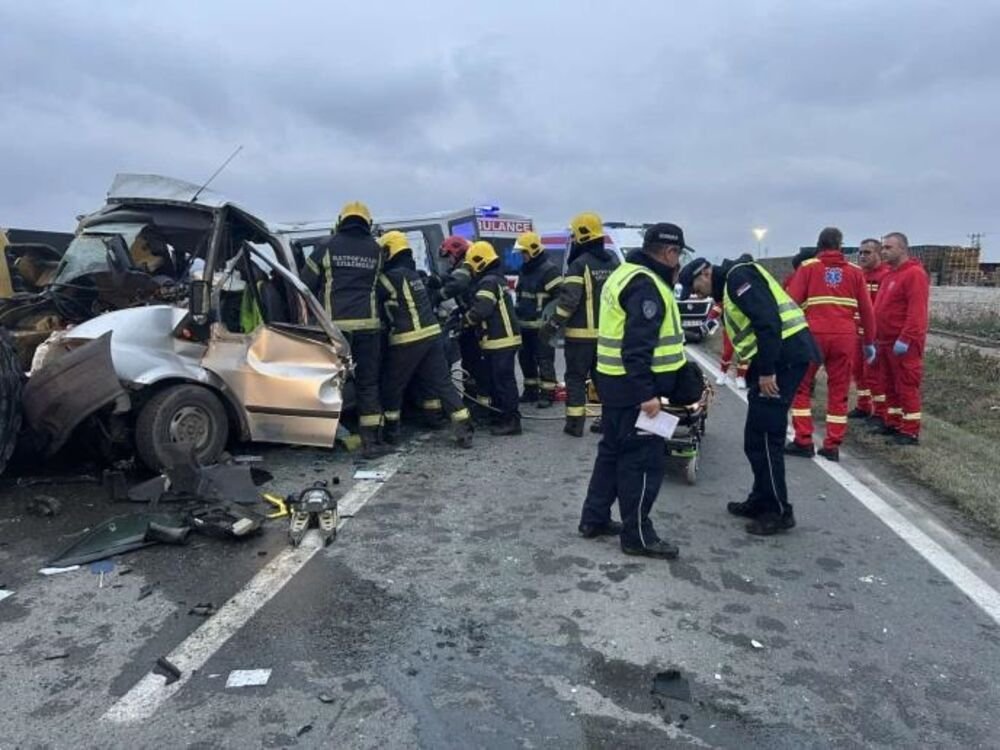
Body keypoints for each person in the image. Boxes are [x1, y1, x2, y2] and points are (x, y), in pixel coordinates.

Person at [679, 255, 817, 535]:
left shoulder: (739, 278)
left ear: (706, 273)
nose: (696, 294)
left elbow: (768, 323)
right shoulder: (730, 288)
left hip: (782, 360)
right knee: (755, 438)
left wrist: (766, 372)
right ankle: (760, 499)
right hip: (774, 361)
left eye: (695, 286)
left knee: (766, 436)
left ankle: (777, 511)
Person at [579, 224, 689, 559]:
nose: (679, 262)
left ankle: (594, 519)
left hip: (613, 383)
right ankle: (638, 536)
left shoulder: (624, 272)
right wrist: (648, 394)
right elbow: (637, 347)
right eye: (679, 255)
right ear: (669, 253)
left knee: (611, 454)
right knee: (642, 462)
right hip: (635, 390)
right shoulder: (647, 285)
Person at [302, 201, 386, 458]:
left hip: (335, 330)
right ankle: (371, 441)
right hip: (368, 326)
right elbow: (381, 286)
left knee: (331, 383)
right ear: (367, 223)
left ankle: (326, 437)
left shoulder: (325, 246)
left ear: (341, 221)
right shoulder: (376, 249)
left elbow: (305, 283)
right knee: (368, 383)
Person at [785, 227, 876, 462]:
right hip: (845, 337)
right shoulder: (855, 272)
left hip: (814, 335)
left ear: (819, 245)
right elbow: (867, 311)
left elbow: (791, 304)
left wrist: (787, 336)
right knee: (839, 390)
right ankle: (833, 445)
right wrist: (869, 341)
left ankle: (803, 440)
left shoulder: (808, 268)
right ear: (840, 245)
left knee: (801, 386)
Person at [375, 231, 473, 448]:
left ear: (389, 251)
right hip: (432, 335)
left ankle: (391, 431)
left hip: (406, 340)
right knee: (443, 384)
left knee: (392, 386)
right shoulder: (415, 275)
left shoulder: (387, 279)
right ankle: (464, 429)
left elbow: (375, 303)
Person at [540, 212, 619, 436]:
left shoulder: (579, 264)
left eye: (574, 236)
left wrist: (552, 325)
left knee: (575, 379)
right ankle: (609, 422)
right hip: (606, 336)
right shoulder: (612, 262)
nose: (573, 240)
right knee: (602, 379)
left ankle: (574, 425)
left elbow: (569, 301)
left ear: (582, 236)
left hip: (580, 337)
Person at [873, 232, 929, 445]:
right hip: (885, 341)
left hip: (904, 344)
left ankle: (910, 430)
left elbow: (917, 312)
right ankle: (893, 421)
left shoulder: (914, 274)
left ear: (903, 249)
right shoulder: (890, 275)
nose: (884, 251)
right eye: (883, 247)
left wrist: (906, 338)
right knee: (888, 384)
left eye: (888, 248)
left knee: (906, 385)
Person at [463, 241, 523, 435]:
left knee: (503, 382)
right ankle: (501, 416)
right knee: (498, 381)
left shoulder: (488, 281)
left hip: (500, 340)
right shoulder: (496, 278)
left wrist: (464, 321)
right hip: (500, 340)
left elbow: (482, 309)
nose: (470, 270)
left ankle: (511, 421)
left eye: (471, 265)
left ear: (479, 262)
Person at [435, 235, 490, 417]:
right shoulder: (461, 267)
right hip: (470, 321)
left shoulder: (466, 266)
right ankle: (473, 400)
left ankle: (483, 405)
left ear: (457, 252)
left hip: (477, 323)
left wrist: (438, 294)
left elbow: (457, 283)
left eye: (449, 255)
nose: (448, 260)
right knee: (469, 362)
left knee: (477, 364)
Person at [513, 231, 562, 407]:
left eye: (524, 253)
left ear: (533, 251)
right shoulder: (524, 270)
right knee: (525, 359)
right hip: (525, 325)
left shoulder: (549, 270)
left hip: (543, 326)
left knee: (544, 359)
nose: (522, 256)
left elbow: (559, 298)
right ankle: (530, 391)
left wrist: (553, 323)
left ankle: (548, 394)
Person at [849, 238, 892, 420]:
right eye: (860, 252)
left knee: (874, 375)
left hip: (874, 335)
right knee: (858, 372)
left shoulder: (886, 276)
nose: (862, 256)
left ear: (878, 254)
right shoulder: (858, 275)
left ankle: (881, 412)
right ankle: (863, 406)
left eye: (867, 252)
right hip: (856, 334)